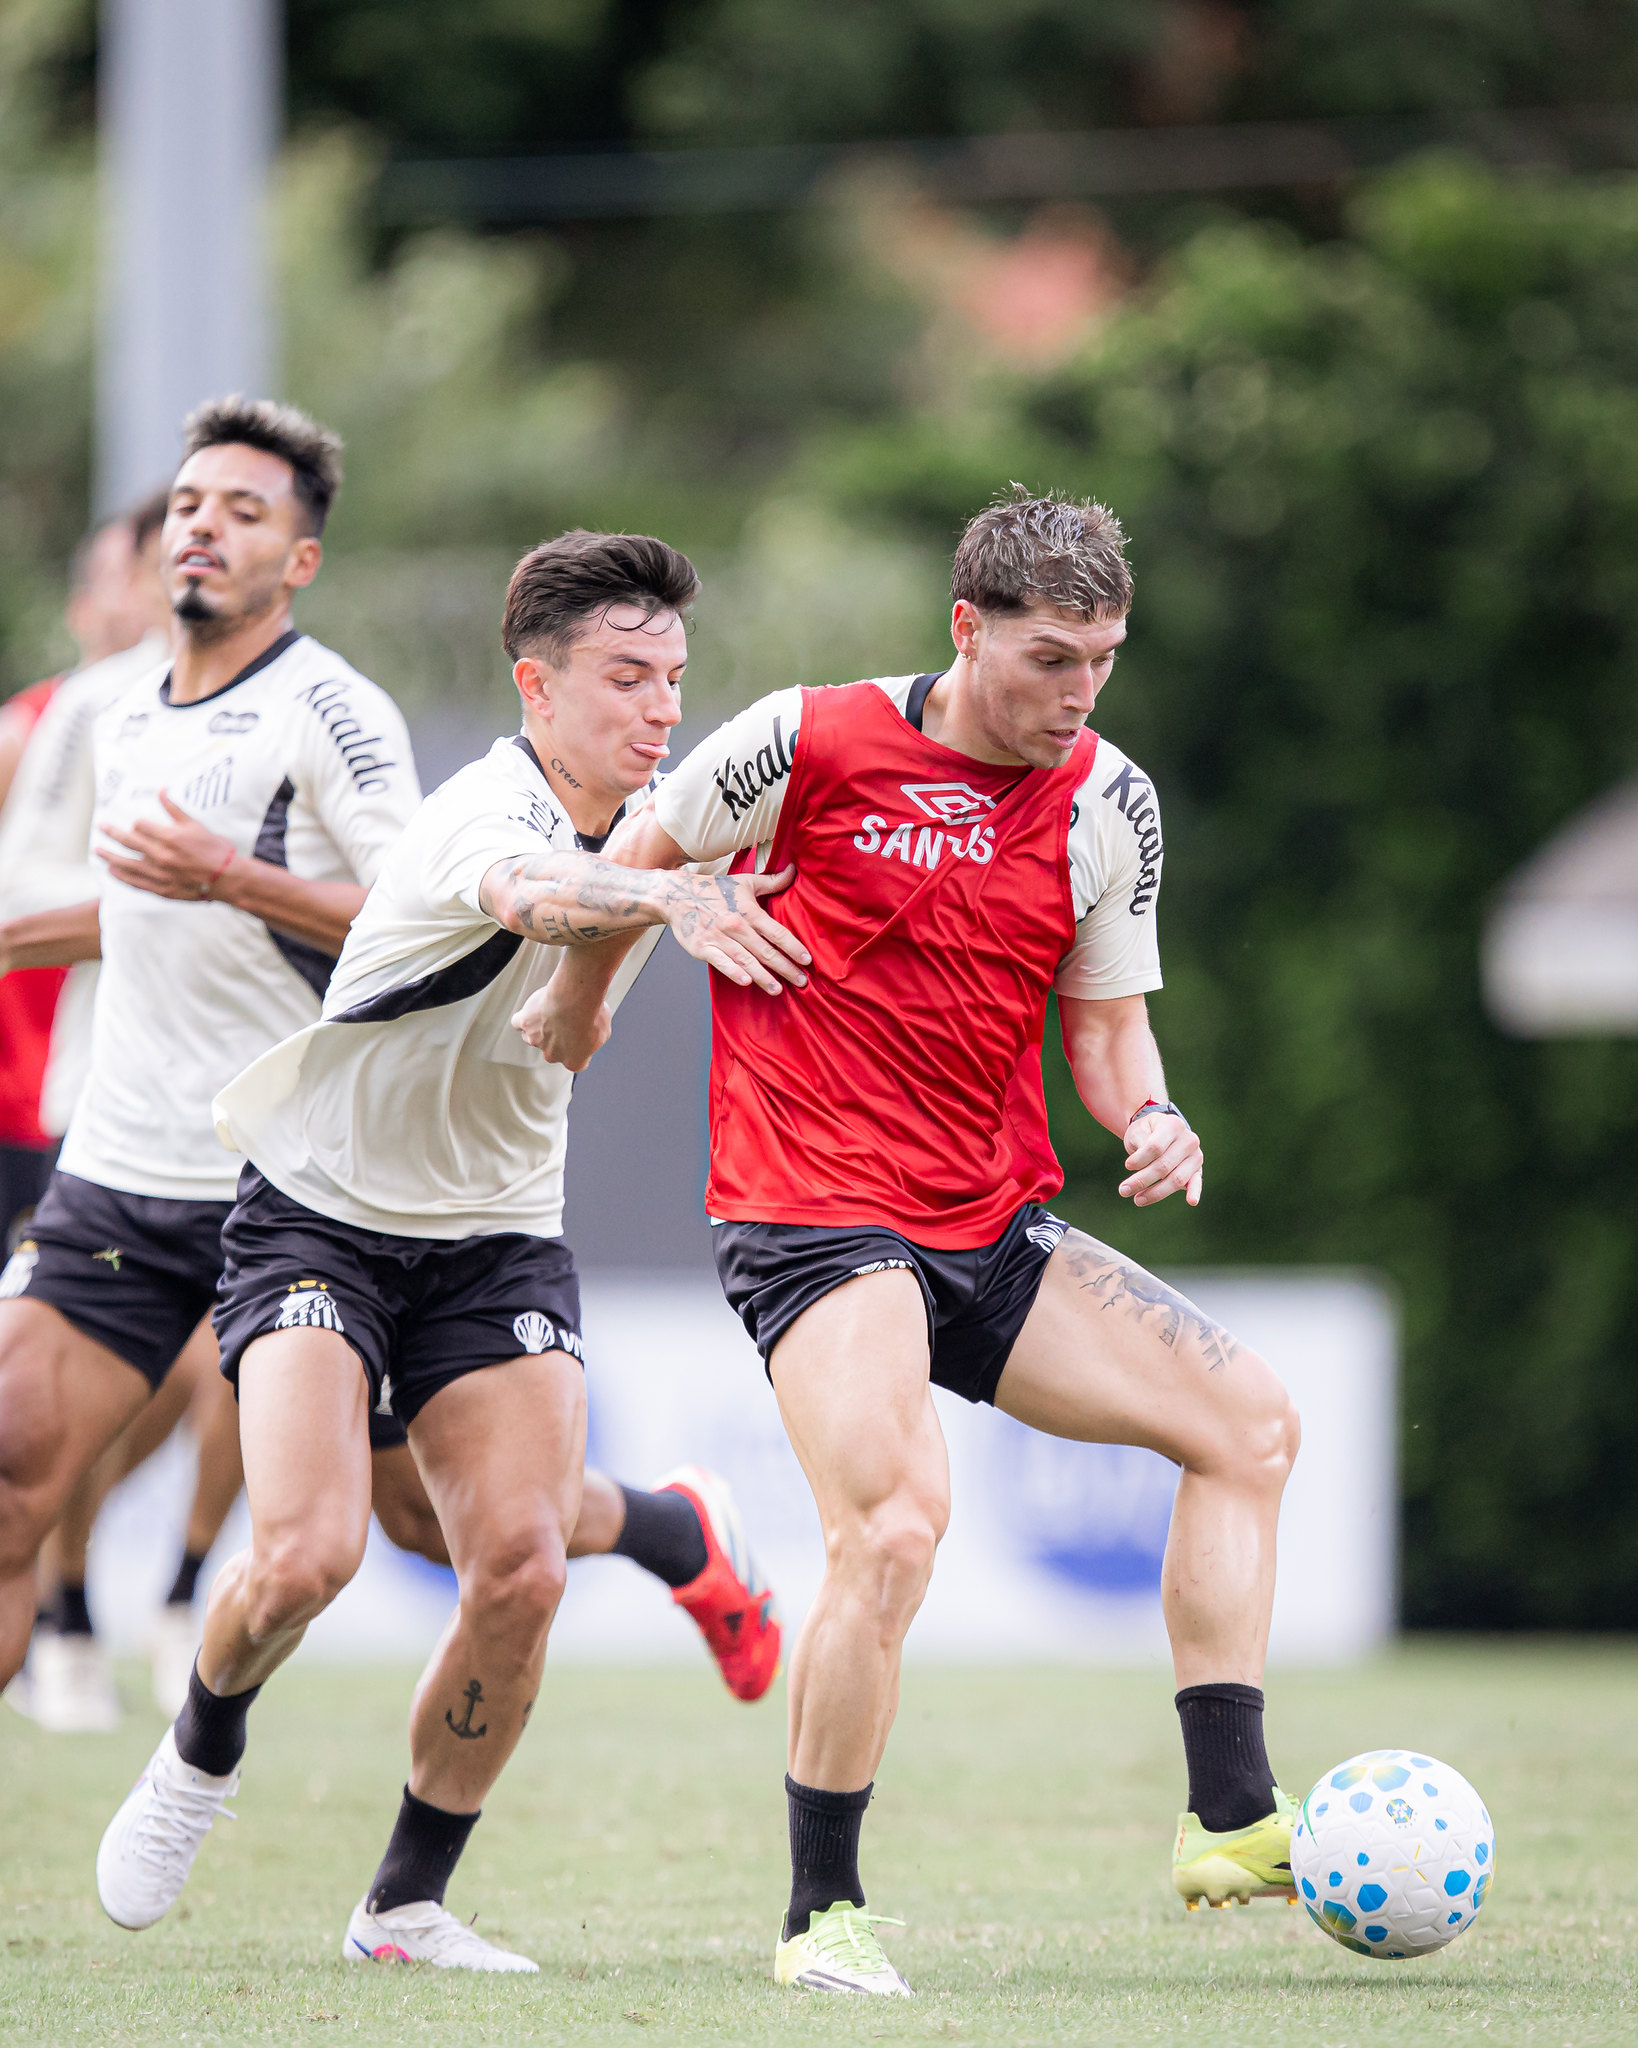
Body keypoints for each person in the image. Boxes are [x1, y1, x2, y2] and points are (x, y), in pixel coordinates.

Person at [523, 489, 1304, 1995]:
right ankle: (822, 1917)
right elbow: (642, 849)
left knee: (1250, 1425)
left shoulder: (1105, 800)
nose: (1075, 694)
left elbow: (1109, 1034)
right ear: (966, 628)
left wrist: (1150, 1116)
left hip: (991, 1222)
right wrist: (584, 994)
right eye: (1048, 659)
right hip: (810, 1213)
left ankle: (1228, 1817)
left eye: (1101, 660)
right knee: (891, 1528)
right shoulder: (800, 740)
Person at [0, 405, 773, 1745]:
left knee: (439, 1527)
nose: (203, 527)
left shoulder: (333, 711)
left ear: (299, 560)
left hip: (303, 1176)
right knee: (13, 1468)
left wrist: (232, 878)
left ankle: (663, 1524)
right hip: (125, 1167)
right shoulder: (99, 713)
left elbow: (411, 916)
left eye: (244, 511)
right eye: (190, 503)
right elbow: (79, 906)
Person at [93, 528, 800, 1970]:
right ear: (535, 687)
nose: (659, 708)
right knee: (308, 1554)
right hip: (319, 1220)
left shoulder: (672, 818)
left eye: (672, 678)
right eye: (624, 678)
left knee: (520, 1566)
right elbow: (537, 900)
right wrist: (661, 896)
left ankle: (404, 1906)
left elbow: (597, 967)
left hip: (493, 1244)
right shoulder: (478, 813)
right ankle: (199, 1753)